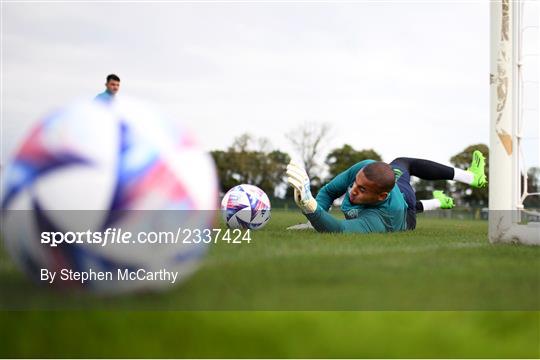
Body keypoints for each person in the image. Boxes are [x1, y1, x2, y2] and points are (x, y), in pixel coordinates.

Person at [286, 151, 487, 233]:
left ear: (381, 196)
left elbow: (339, 229)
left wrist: (310, 207)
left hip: (403, 209)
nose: (353, 192)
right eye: (356, 183)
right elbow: (329, 191)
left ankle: (453, 190)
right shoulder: (364, 169)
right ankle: (456, 188)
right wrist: (314, 218)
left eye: (362, 189)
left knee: (410, 205)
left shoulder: (384, 217)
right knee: (401, 162)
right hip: (390, 190)